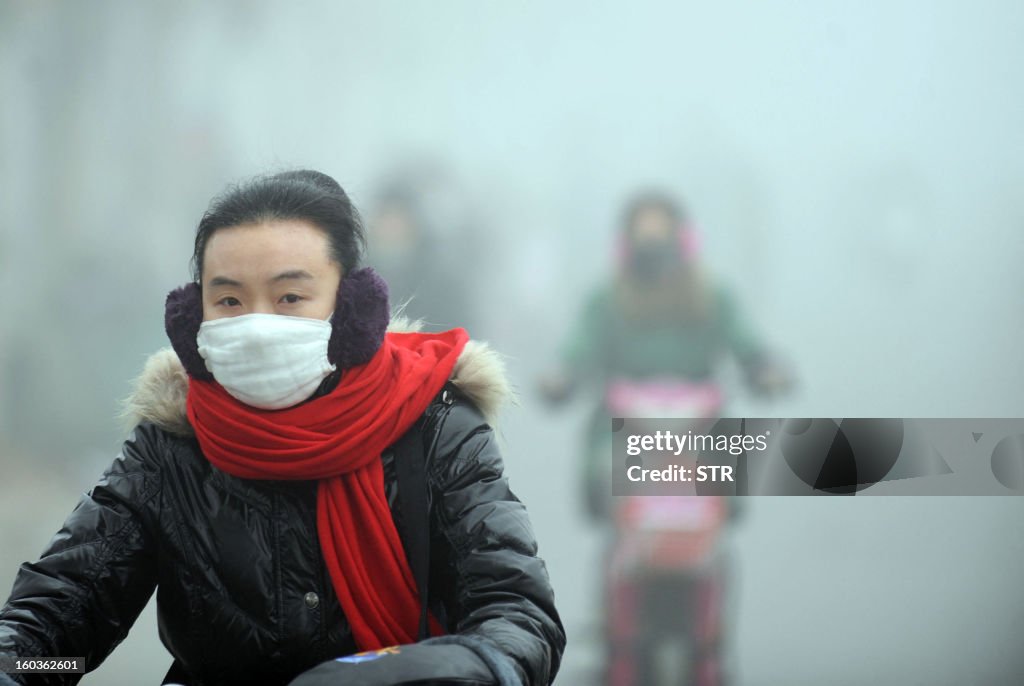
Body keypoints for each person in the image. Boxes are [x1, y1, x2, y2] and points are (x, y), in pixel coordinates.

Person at [0, 170, 565, 686]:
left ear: (352, 311)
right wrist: (19, 665)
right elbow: (57, 626)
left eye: (290, 296)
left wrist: (423, 673)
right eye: (229, 299)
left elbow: (517, 619)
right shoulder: (170, 445)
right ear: (193, 317)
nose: (257, 324)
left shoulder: (435, 428)